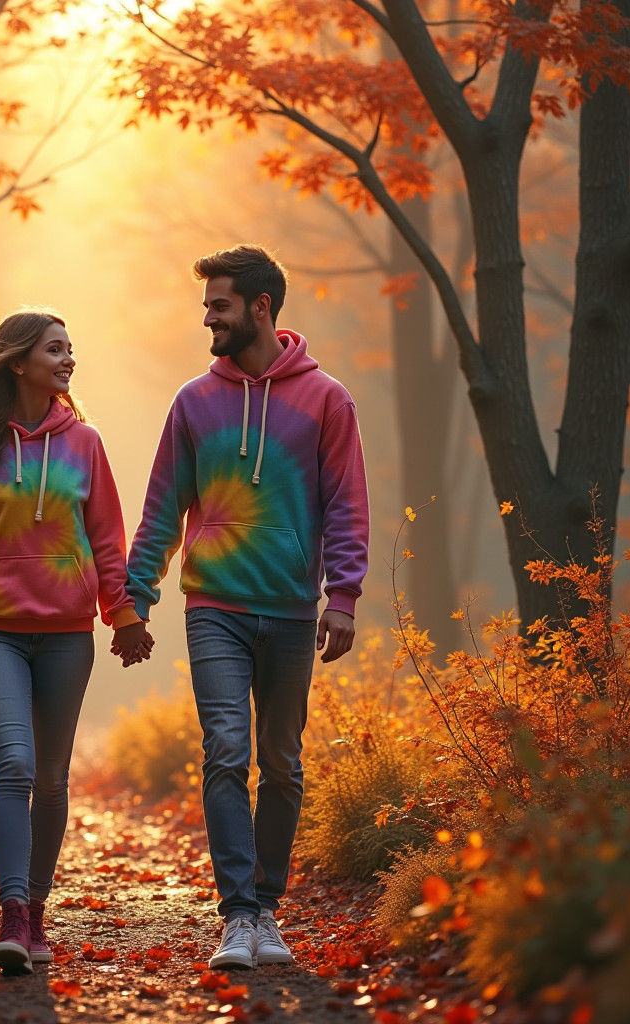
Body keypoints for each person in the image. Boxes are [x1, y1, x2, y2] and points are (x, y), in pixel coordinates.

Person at [118, 245, 369, 970]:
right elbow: (163, 508)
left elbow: (346, 503)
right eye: (207, 307)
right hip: (215, 606)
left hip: (291, 610)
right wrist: (136, 599)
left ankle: (266, 908)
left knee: (282, 763)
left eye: (220, 306)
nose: (209, 319)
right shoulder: (194, 402)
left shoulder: (327, 399)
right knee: (226, 750)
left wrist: (343, 596)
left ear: (261, 307)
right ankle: (237, 916)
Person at [0, 310, 153, 975]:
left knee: (51, 776)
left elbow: (107, 540)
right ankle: (13, 915)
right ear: (18, 363)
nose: (69, 359)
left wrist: (124, 615)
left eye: (71, 349)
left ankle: (37, 911)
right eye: (55, 349)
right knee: (14, 765)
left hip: (68, 635)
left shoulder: (86, 443)